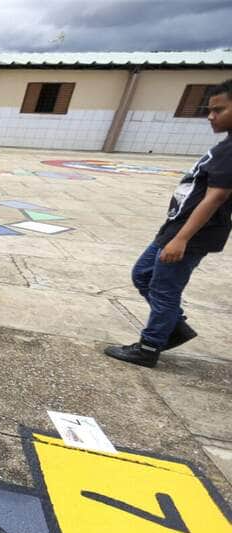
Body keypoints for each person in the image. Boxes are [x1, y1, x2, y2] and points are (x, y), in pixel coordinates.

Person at [105, 79, 232, 368]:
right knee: (142, 274)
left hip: (191, 233)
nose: (211, 116)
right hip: (174, 228)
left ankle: (149, 347)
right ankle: (174, 326)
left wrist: (182, 239)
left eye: (219, 110)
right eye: (209, 110)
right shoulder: (226, 146)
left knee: (164, 288)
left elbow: (216, 197)